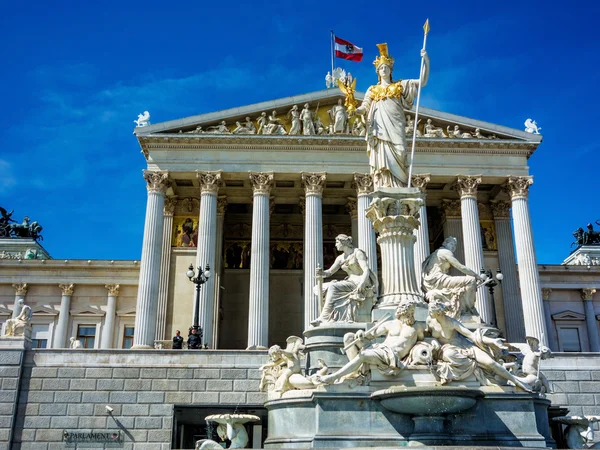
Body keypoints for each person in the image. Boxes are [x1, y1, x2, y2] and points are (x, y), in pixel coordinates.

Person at [352, 43, 429, 189]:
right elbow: (364, 107)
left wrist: (426, 60)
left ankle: (399, 187)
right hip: (380, 130)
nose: (383, 70)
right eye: (381, 68)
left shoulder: (399, 86)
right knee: (382, 160)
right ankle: (384, 185)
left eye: (386, 67)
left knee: (400, 152)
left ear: (390, 69)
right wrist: (355, 110)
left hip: (395, 127)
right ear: (377, 71)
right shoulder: (372, 90)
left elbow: (422, 81)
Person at [426, 302, 532, 392]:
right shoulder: (430, 322)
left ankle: (518, 382)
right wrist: (434, 341)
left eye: (431, 311)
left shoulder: (452, 323)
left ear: (439, 313)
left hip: (464, 346)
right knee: (449, 354)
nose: (429, 313)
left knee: (491, 363)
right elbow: (427, 336)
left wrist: (493, 341)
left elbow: (471, 335)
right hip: (447, 348)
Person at [317, 302, 424, 384]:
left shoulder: (417, 327)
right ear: (400, 312)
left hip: (391, 355)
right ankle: (357, 372)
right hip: (380, 348)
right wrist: (360, 333)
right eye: (406, 312)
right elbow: (371, 335)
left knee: (363, 355)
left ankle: (333, 377)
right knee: (349, 337)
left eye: (411, 312)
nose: (409, 315)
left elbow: (423, 340)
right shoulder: (390, 323)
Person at [311, 234, 378, 326]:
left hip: (360, 282)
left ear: (343, 242)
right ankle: (330, 316)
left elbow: (366, 269)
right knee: (321, 288)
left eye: (337, 242)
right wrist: (321, 273)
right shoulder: (340, 258)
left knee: (333, 286)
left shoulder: (357, 253)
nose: (335, 245)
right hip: (350, 281)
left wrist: (362, 283)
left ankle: (324, 317)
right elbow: (330, 272)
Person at [421, 236, 483, 317]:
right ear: (445, 243)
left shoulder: (434, 254)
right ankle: (468, 309)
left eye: (455, 246)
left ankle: (463, 307)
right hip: (439, 280)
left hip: (432, 281)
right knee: (470, 280)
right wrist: (476, 275)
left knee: (462, 284)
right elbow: (460, 267)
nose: (453, 247)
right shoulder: (445, 252)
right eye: (451, 244)